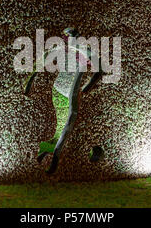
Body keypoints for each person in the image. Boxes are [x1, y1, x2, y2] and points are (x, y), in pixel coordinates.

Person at [24, 27, 102, 174]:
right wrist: (29, 83)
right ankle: (54, 157)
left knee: (62, 127)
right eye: (68, 37)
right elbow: (42, 61)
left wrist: (87, 87)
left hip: (66, 92)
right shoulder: (67, 51)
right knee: (66, 125)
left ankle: (47, 150)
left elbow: (100, 69)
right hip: (62, 92)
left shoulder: (82, 51)